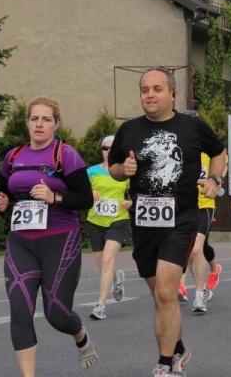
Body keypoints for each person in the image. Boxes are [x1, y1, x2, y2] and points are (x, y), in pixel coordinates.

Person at [109, 68, 227, 377]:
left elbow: (219, 152)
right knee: (159, 295)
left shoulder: (192, 126)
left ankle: (165, 364)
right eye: (145, 89)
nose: (150, 94)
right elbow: (114, 169)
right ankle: (178, 349)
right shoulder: (129, 129)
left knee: (165, 292)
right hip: (144, 221)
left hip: (181, 218)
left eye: (157, 89)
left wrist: (215, 179)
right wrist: (124, 169)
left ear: (172, 94)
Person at [0, 97, 98, 376]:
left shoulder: (65, 155)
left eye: (46, 119)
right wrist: (3, 202)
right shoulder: (13, 156)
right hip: (21, 241)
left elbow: (85, 199)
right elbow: (6, 191)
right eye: (34, 118)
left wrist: (55, 197)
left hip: (59, 239)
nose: (39, 124)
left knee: (57, 314)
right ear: (27, 122)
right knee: (20, 310)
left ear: (56, 124)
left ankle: (80, 335)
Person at [87, 135, 132, 321]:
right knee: (102, 264)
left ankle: (100, 306)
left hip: (118, 220)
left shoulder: (126, 172)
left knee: (107, 261)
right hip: (96, 222)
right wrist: (89, 193)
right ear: (101, 151)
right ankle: (116, 279)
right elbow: (79, 193)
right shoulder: (91, 172)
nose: (109, 151)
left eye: (113, 148)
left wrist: (131, 202)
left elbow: (136, 194)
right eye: (106, 148)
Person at [177, 152, 222, 313]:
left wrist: (217, 181)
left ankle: (199, 296)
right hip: (186, 206)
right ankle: (203, 289)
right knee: (189, 252)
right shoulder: (182, 150)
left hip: (205, 205)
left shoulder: (208, 152)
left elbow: (221, 165)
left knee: (197, 249)